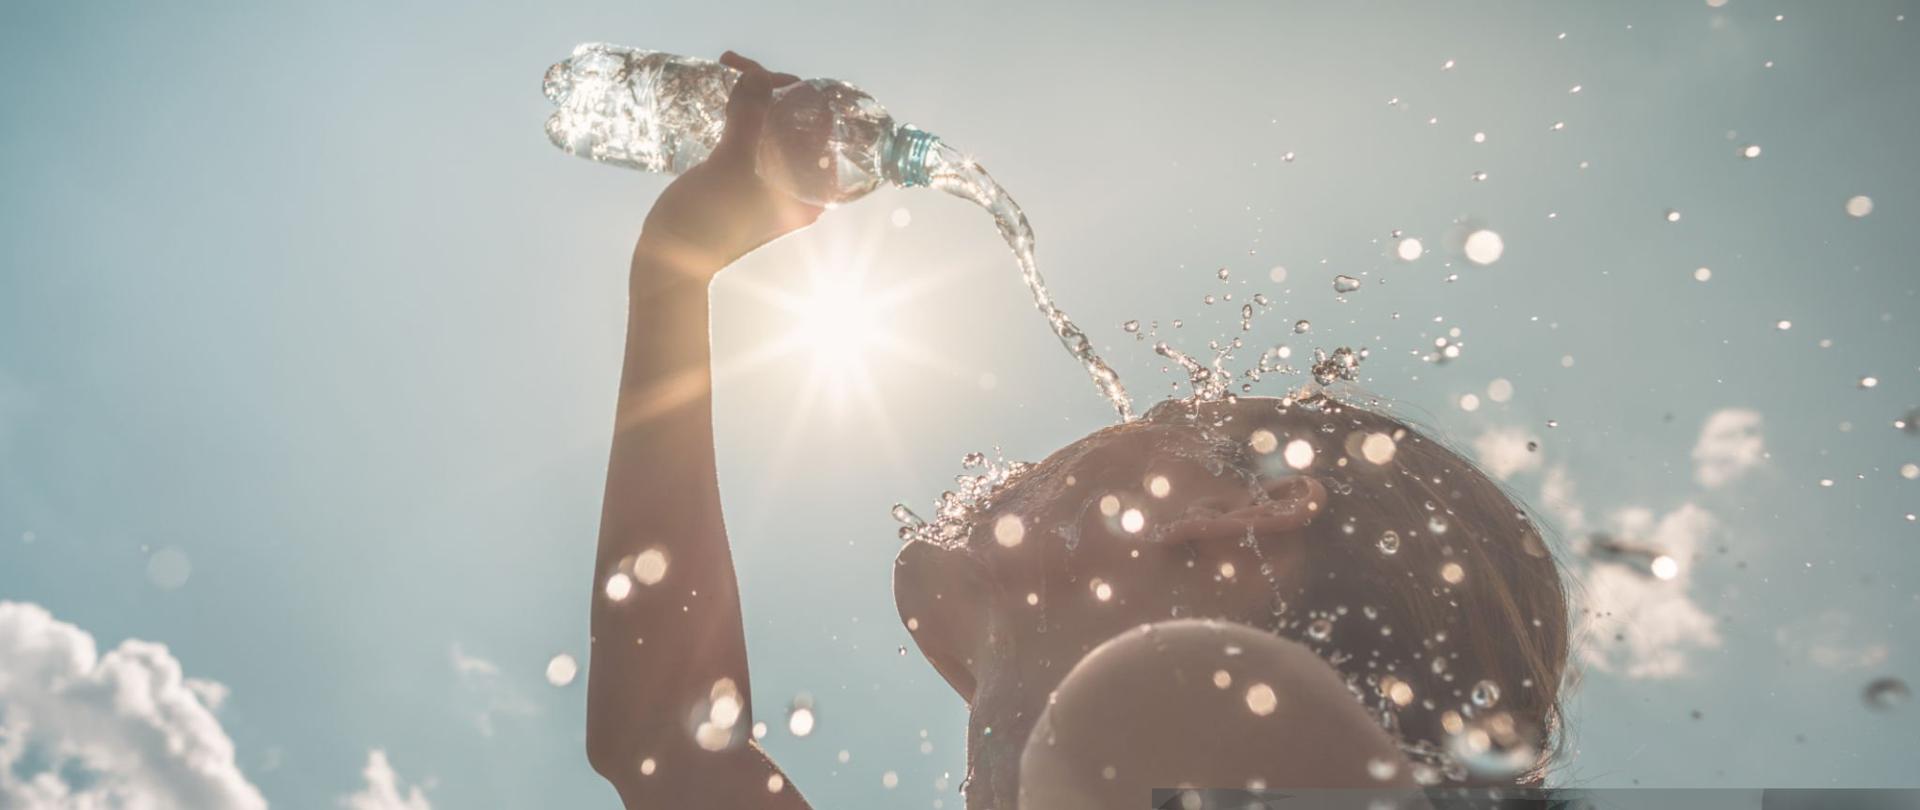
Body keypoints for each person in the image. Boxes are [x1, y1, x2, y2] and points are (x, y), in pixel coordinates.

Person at [583, 52, 1571, 810]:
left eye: (1175, 417)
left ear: (1252, 510)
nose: (1084, 442)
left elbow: (661, 743)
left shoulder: (1180, 698)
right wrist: (674, 277)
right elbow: (661, 738)